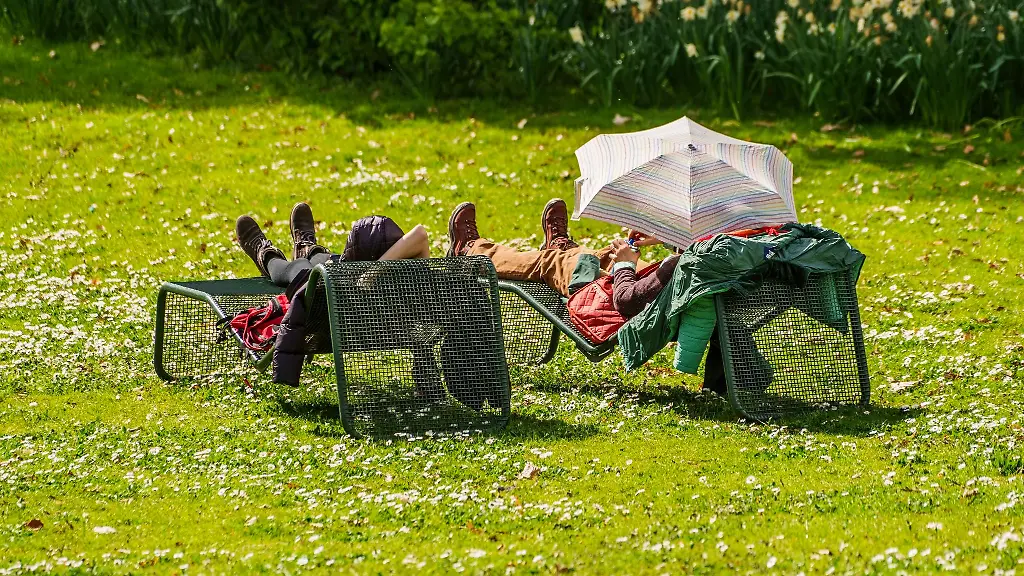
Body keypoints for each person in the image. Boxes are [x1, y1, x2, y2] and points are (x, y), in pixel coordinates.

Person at [446, 199, 733, 394]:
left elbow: (628, 301)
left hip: (624, 310)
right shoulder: (748, 247)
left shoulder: (688, 266)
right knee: (607, 254)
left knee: (552, 263)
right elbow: (701, 251)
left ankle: (472, 251)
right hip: (682, 297)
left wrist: (625, 264)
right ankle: (567, 247)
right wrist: (662, 237)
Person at [235, 202, 429, 287]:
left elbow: (419, 234)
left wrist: (369, 276)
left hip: (331, 299)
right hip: (350, 276)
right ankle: (308, 249)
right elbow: (420, 234)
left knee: (301, 270)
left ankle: (267, 256)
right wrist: (373, 272)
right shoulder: (420, 287)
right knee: (329, 262)